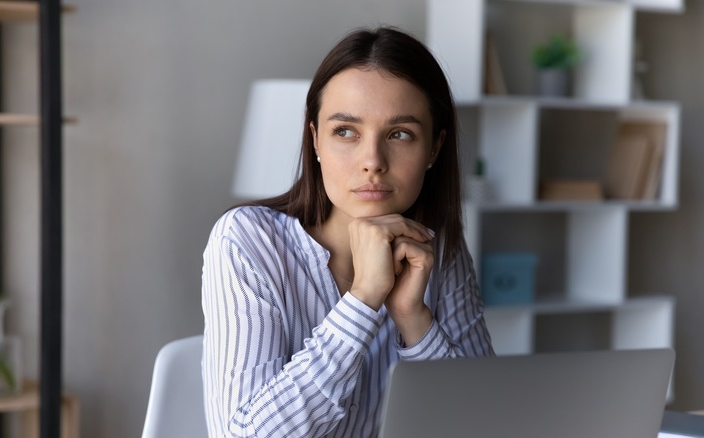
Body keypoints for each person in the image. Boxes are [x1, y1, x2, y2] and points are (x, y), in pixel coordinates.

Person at [201, 26, 494, 438]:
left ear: (434, 148)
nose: (372, 160)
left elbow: (483, 422)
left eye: (400, 134)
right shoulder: (248, 240)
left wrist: (415, 318)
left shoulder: (437, 245)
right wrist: (362, 301)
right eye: (346, 131)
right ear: (315, 139)